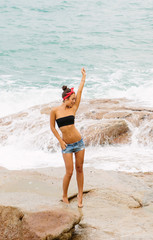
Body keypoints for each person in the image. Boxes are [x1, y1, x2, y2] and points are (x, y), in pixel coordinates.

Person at [50, 67, 86, 208]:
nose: (74, 101)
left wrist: (83, 77)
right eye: (72, 99)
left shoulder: (73, 108)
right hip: (66, 145)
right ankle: (64, 195)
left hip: (79, 143)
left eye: (75, 99)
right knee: (69, 172)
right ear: (65, 99)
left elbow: (81, 90)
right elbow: (52, 127)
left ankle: (80, 195)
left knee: (79, 169)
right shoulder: (55, 111)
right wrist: (60, 141)